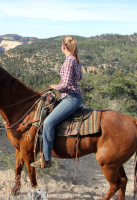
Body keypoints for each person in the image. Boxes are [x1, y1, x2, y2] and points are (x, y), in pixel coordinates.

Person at [31, 36, 83, 168]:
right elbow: (79, 78)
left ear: (63, 47)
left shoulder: (68, 61)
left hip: (70, 98)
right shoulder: (76, 60)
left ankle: (47, 159)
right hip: (74, 96)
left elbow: (65, 84)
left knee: (48, 123)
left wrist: (56, 87)